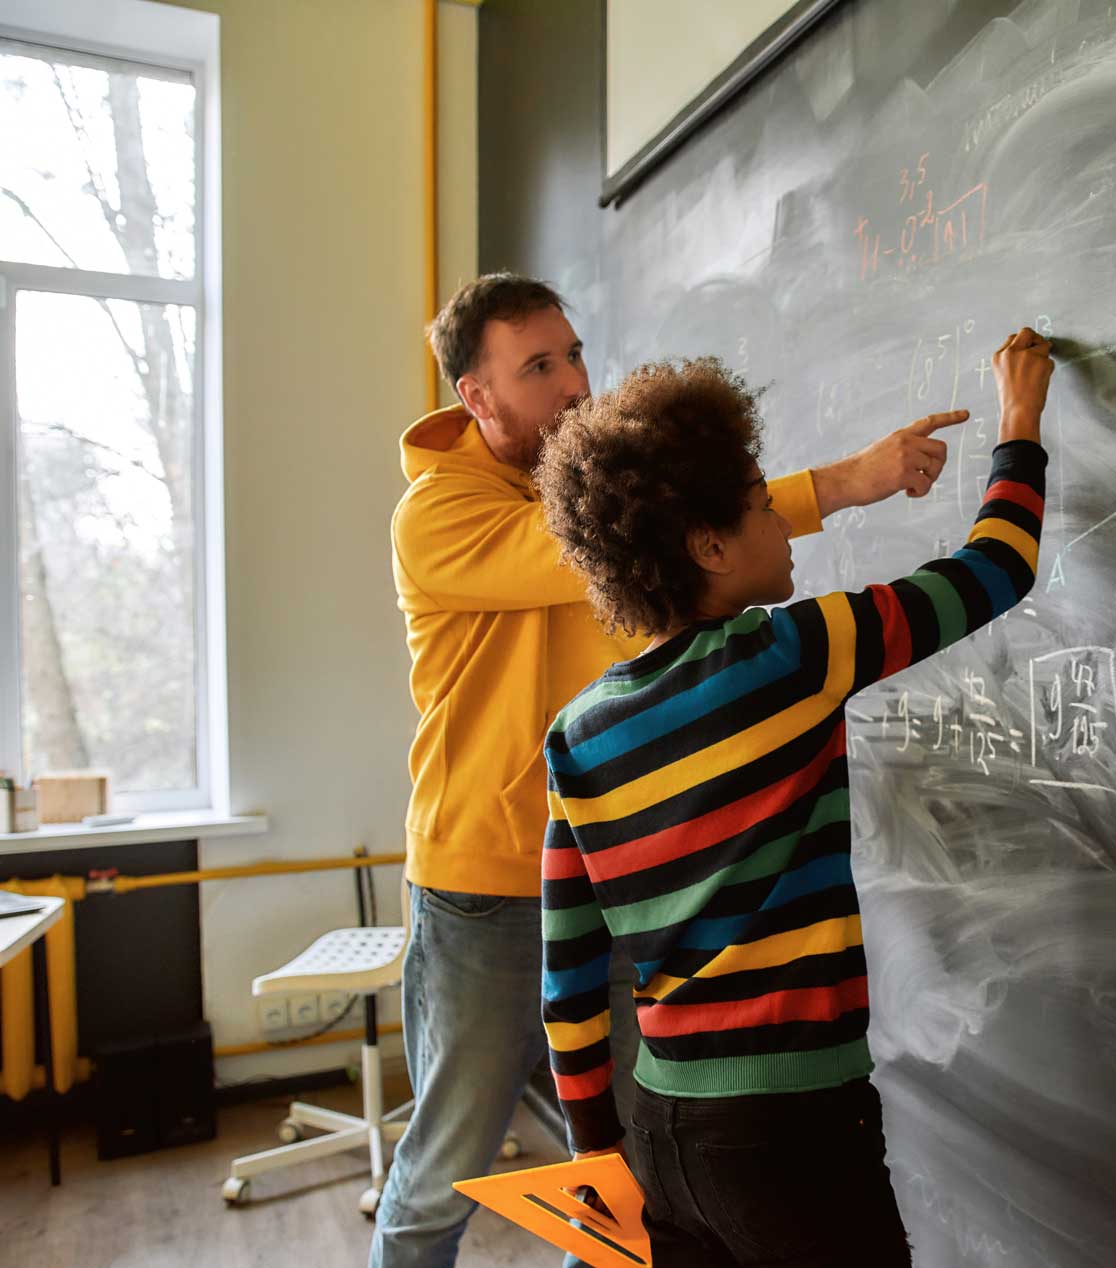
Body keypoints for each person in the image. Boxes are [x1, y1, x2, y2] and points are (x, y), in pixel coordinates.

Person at [376, 273, 961, 1268]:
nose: (573, 382)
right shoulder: (437, 514)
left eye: (573, 354)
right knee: (445, 1164)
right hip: (484, 884)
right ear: (476, 395)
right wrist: (840, 483)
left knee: (614, 1173)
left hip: (610, 878)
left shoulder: (590, 481)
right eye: (539, 365)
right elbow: (578, 544)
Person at [534, 327, 1054, 1266]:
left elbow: (568, 987)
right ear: (709, 546)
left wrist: (598, 1154)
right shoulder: (787, 653)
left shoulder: (577, 733)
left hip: (659, 1135)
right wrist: (1020, 420)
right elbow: (995, 570)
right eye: (758, 508)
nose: (781, 523)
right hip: (789, 1135)